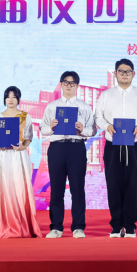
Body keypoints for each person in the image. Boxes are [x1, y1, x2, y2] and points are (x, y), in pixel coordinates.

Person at [94, 59, 137, 238]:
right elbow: (98, 117)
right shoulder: (106, 95)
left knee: (132, 186)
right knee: (113, 185)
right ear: (115, 74)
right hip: (112, 146)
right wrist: (107, 126)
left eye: (128, 71)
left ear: (133, 74)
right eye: (121, 71)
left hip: (134, 146)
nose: (124, 74)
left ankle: (129, 226)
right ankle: (115, 225)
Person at [40, 71, 97, 239]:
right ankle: (56, 227)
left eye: (72, 83)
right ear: (61, 84)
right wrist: (51, 127)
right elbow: (43, 129)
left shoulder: (84, 107)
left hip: (76, 148)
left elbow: (92, 130)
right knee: (56, 189)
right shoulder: (52, 106)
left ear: (77, 86)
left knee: (77, 189)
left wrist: (83, 129)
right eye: (65, 82)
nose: (69, 86)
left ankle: (78, 227)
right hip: (56, 148)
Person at [0, 87, 43, 238]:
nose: (11, 100)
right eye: (8, 97)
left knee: (18, 189)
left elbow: (28, 137)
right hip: (2, 156)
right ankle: (1, 224)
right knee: (2, 188)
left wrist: (23, 146)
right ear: (4, 99)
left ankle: (21, 224)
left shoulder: (25, 116)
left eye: (14, 97)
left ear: (18, 99)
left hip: (18, 156)